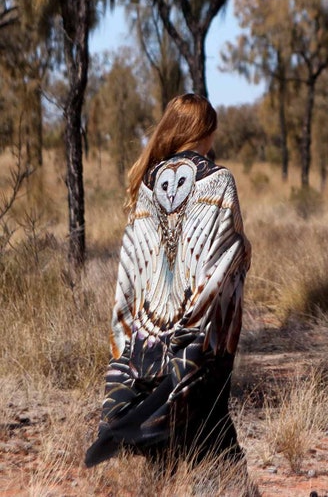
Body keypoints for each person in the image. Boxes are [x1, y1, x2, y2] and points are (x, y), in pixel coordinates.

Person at [85, 94, 254, 488]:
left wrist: (127, 338)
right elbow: (227, 254)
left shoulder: (146, 182)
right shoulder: (218, 179)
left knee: (165, 441)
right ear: (206, 130)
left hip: (148, 335)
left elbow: (131, 266)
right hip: (198, 338)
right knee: (212, 432)